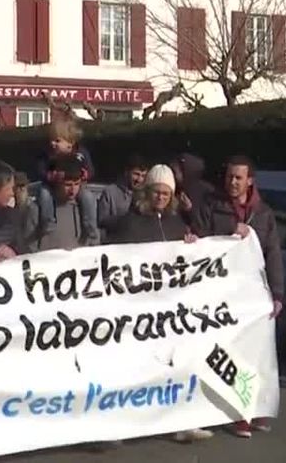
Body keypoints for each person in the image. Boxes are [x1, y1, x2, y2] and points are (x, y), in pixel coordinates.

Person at [105, 164, 212, 444]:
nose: (161, 197)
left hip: (168, 313)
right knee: (132, 369)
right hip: (137, 310)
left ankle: (181, 421)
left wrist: (191, 245)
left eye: (166, 193)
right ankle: (121, 424)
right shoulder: (131, 222)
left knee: (174, 365)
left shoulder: (177, 224)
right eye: (157, 192)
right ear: (147, 192)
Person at [193, 155, 283, 439]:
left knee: (253, 353)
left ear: (250, 181)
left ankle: (253, 407)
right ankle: (235, 412)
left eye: (238, 178)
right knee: (224, 353)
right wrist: (226, 233)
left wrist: (277, 293)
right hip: (220, 294)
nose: (232, 182)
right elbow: (202, 241)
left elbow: (273, 254)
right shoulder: (211, 206)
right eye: (229, 176)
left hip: (253, 293)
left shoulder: (264, 213)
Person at [31, 119, 98, 245]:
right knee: (44, 195)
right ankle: (48, 221)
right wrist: (50, 175)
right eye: (51, 140)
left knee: (88, 197)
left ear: (70, 143)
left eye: (57, 140)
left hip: (77, 185)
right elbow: (40, 170)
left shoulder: (81, 153)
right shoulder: (48, 155)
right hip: (51, 185)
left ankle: (89, 226)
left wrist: (85, 174)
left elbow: (90, 169)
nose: (53, 144)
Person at [30, 156, 92, 252]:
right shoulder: (36, 209)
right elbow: (29, 247)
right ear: (57, 183)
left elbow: (93, 240)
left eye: (76, 184)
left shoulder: (84, 207)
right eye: (67, 185)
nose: (72, 190)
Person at [96, 155, 148, 232]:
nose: (139, 180)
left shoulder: (146, 194)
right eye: (136, 174)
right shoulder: (110, 192)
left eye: (143, 176)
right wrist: (125, 220)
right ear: (126, 172)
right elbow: (102, 220)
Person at [174, 154, 215, 225]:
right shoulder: (175, 188)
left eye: (176, 172)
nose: (173, 175)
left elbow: (203, 225)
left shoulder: (205, 192)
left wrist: (189, 210)